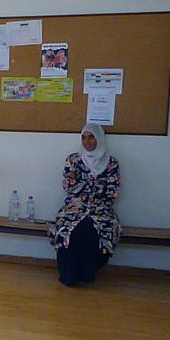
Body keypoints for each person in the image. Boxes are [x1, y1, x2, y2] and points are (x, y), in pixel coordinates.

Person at [48, 123, 121, 287]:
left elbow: (112, 192)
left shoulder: (111, 163)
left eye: (91, 137)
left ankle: (87, 275)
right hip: (74, 207)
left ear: (99, 139)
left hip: (101, 209)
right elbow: (68, 186)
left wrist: (84, 186)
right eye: (84, 138)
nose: (87, 142)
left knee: (95, 231)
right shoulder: (73, 160)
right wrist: (96, 186)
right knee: (68, 230)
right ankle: (69, 276)